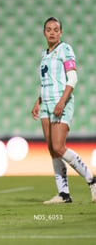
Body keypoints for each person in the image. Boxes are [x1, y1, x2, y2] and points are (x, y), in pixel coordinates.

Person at [31, 17, 96, 204]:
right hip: (46, 105)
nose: (52, 32)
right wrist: (38, 101)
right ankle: (63, 194)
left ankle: (92, 180)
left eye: (56, 29)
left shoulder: (65, 49)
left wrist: (62, 101)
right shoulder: (45, 54)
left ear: (61, 32)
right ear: (44, 32)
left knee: (59, 146)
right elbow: (47, 82)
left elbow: (72, 78)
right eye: (48, 29)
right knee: (53, 150)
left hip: (61, 102)